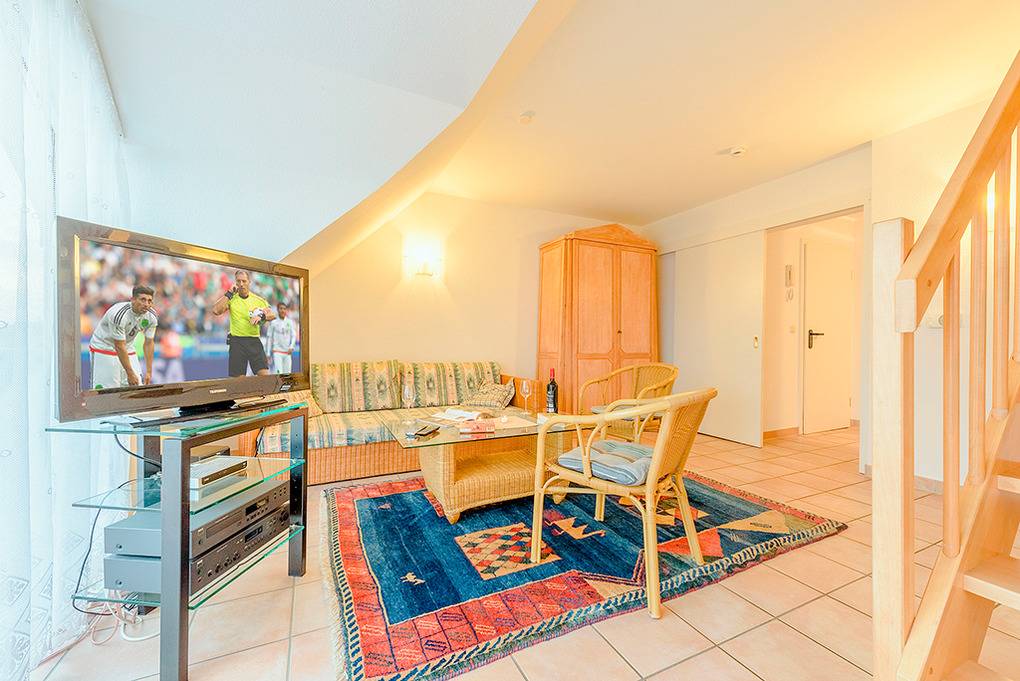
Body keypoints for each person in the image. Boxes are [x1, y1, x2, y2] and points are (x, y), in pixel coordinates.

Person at [88, 285, 158, 389]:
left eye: (149, 301)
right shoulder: (119, 315)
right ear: (133, 300)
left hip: (128, 347)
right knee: (107, 391)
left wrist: (148, 371)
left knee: (136, 386)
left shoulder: (151, 316)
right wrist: (130, 374)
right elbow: (119, 346)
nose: (146, 304)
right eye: (143, 300)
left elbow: (149, 343)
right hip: (104, 348)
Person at [211, 269, 275, 377]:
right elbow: (216, 310)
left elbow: (272, 315)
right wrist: (229, 293)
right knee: (239, 382)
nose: (241, 284)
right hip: (237, 342)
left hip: (254, 340)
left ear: (249, 282)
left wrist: (262, 316)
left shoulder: (257, 300)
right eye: (238, 281)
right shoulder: (231, 298)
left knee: (265, 377)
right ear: (235, 282)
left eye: (244, 281)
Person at [266, 302, 297, 374]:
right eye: (281, 308)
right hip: (277, 352)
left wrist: (291, 347)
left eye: (284, 309)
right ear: (277, 310)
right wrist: (268, 353)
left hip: (287, 352)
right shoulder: (273, 323)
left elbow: (293, 335)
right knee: (279, 373)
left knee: (287, 374)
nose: (283, 310)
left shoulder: (290, 322)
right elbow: (269, 338)